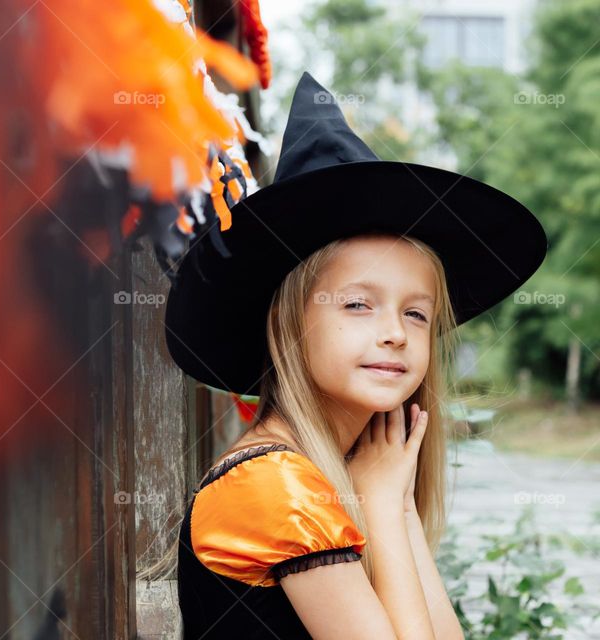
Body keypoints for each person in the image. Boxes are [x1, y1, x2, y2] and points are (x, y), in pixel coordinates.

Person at [161, 72, 549, 639]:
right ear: (291, 323)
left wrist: (396, 506)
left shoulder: (344, 472)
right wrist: (383, 503)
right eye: (359, 304)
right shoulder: (274, 484)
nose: (395, 333)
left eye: (416, 313)